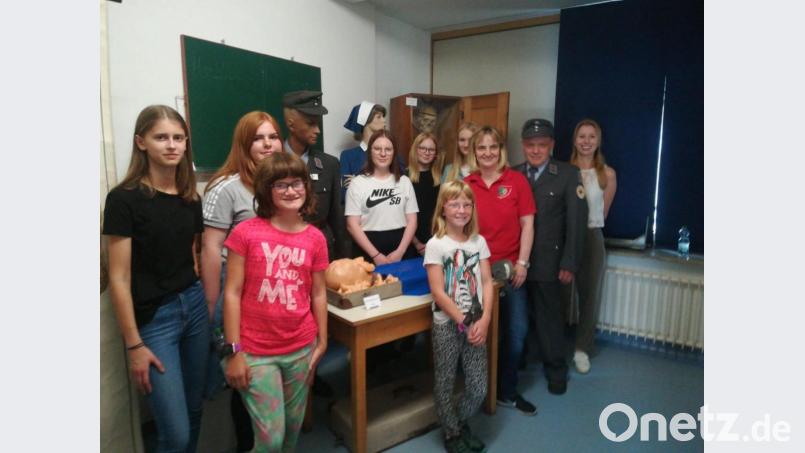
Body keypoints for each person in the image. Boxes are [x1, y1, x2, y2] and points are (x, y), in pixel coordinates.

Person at [103, 105, 208, 452]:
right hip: (155, 320)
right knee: (174, 433)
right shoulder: (123, 200)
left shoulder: (191, 199)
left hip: (193, 308)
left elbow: (192, 258)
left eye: (178, 138)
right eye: (161, 137)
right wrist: (134, 345)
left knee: (195, 411)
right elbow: (118, 278)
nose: (172, 145)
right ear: (141, 142)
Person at [221, 152, 329, 452]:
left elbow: (318, 293)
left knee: (291, 436)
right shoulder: (246, 232)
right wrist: (234, 351)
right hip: (256, 352)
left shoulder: (315, 238)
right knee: (271, 440)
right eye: (280, 185)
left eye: (297, 183)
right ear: (266, 190)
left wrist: (322, 341)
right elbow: (231, 292)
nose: (291, 190)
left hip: (300, 349)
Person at [201, 110, 282, 451]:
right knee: (243, 375)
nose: (267, 144)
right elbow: (210, 248)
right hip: (234, 293)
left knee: (265, 377)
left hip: (270, 292)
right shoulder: (227, 187)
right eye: (258, 138)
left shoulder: (279, 182)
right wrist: (211, 306)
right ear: (244, 144)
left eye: (272, 136)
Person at [464, 126, 536, 415]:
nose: (488, 153)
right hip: (477, 274)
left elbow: (528, 225)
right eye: (481, 148)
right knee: (477, 334)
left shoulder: (516, 181)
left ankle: (506, 391)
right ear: (474, 152)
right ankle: (477, 391)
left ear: (501, 150)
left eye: (493, 147)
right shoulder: (467, 183)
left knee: (517, 332)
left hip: (512, 272)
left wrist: (522, 263)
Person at [514, 118, 587, 395]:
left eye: (541, 145)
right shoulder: (514, 174)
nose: (535, 150)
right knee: (517, 319)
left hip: (549, 261)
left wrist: (570, 262)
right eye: (530, 145)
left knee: (550, 321)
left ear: (551, 145)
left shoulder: (568, 174)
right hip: (517, 260)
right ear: (523, 145)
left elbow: (576, 224)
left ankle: (556, 370)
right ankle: (517, 361)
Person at [424, 180, 493, 453]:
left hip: (477, 324)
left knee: (478, 387)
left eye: (466, 204)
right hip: (447, 326)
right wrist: (463, 321)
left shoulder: (479, 242)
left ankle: (459, 421)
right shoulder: (436, 244)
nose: (461, 210)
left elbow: (487, 282)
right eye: (454, 204)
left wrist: (485, 319)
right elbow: (438, 292)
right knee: (445, 380)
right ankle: (452, 434)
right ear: (443, 208)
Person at [566, 119, 617, 374]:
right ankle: (558, 345)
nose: (586, 141)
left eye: (591, 137)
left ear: (598, 141)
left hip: (592, 236)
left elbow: (603, 213)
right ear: (575, 140)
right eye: (581, 136)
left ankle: (581, 349)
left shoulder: (607, 174)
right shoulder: (565, 171)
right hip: (565, 237)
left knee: (588, 296)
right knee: (562, 294)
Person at [282, 90, 349, 261]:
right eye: (311, 124)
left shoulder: (329, 164)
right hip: (283, 248)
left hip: (321, 246)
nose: (317, 130)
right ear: (291, 125)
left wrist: (343, 259)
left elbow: (336, 217)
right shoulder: (271, 164)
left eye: (318, 124)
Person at [345, 129, 419, 264]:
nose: (383, 154)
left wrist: (400, 252)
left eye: (388, 149)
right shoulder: (357, 183)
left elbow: (412, 221)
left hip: (401, 250)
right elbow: (352, 225)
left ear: (394, 153)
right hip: (367, 250)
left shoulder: (404, 182)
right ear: (370, 152)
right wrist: (376, 255)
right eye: (377, 149)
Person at [340, 101, 387, 200]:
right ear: (366, 121)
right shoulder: (348, 156)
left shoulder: (390, 152)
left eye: (383, 116)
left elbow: (397, 188)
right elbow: (345, 195)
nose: (384, 120)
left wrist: (359, 183)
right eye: (379, 117)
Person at [407, 132, 443, 255]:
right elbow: (400, 216)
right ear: (415, 150)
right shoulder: (404, 178)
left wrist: (437, 239)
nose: (427, 152)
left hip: (436, 239)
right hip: (410, 242)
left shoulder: (439, 179)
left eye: (431, 149)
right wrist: (417, 243)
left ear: (435, 154)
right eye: (422, 148)